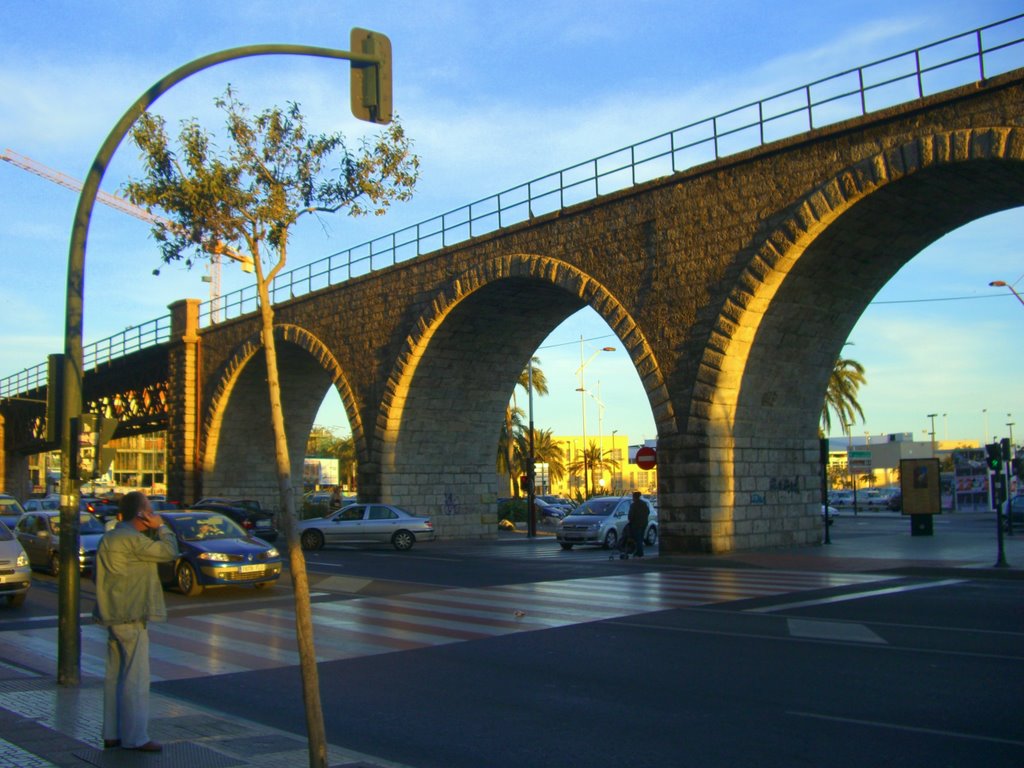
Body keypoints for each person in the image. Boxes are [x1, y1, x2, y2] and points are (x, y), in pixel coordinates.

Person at [93, 491, 178, 752]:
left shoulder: (110, 537)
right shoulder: (132, 541)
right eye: (150, 510)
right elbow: (169, 552)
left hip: (112, 615)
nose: (154, 515)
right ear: (141, 514)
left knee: (114, 677)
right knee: (136, 679)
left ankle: (112, 733)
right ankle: (135, 738)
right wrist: (162, 527)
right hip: (132, 616)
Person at [627, 491, 649, 558]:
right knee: (641, 537)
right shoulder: (644, 504)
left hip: (636, 524)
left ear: (634, 497)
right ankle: (639, 551)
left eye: (633, 497)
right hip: (644, 523)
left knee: (637, 538)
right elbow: (648, 512)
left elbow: (631, 515)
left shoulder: (633, 505)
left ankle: (639, 552)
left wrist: (630, 520)